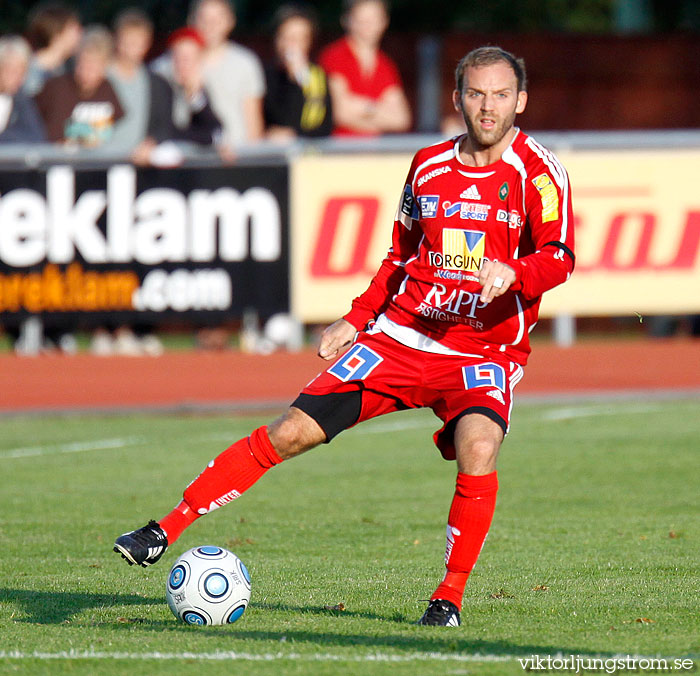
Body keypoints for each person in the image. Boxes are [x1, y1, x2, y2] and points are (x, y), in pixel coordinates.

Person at [114, 46, 575, 627]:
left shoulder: (539, 171)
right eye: (477, 94)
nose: (489, 107)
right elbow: (400, 258)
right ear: (458, 99)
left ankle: (448, 598)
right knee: (290, 432)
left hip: (481, 352)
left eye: (501, 95)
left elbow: (559, 256)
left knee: (480, 447)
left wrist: (518, 271)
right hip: (400, 338)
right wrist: (356, 319)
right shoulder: (428, 166)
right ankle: (164, 529)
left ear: (520, 101)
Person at [319, 0, 410, 136]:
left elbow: (401, 119)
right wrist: (379, 111)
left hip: (371, 153)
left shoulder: (385, 64)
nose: (367, 25)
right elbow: (339, 112)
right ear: (347, 20)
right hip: (337, 150)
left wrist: (364, 108)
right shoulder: (334, 56)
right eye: (361, 20)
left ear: (384, 22)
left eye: (373, 19)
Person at [191, 0, 265, 147]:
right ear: (192, 21)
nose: (210, 25)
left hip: (235, 158)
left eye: (217, 19)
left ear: (230, 22)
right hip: (189, 160)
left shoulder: (245, 63)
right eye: (204, 19)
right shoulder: (173, 63)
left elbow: (253, 123)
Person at [34, 26, 123, 147]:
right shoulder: (58, 87)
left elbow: (115, 119)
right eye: (82, 65)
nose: (85, 73)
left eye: (93, 68)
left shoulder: (107, 89)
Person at [107, 8, 174, 154]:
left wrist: (152, 143)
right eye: (127, 40)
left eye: (137, 41)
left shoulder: (157, 84)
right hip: (99, 162)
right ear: (116, 40)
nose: (132, 46)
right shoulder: (100, 77)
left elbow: (164, 126)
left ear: (147, 43)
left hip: (139, 164)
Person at [264, 4, 333, 141]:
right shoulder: (266, 76)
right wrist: (292, 82)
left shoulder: (317, 76)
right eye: (286, 37)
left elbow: (325, 126)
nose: (291, 45)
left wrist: (295, 135)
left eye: (298, 39)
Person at [23, 2, 82, 96]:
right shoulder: (31, 76)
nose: (80, 34)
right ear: (57, 34)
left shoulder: (68, 68)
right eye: (74, 28)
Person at [0, 35, 47, 143]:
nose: (19, 78)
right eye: (13, 71)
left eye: (23, 72)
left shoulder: (22, 101)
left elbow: (36, 136)